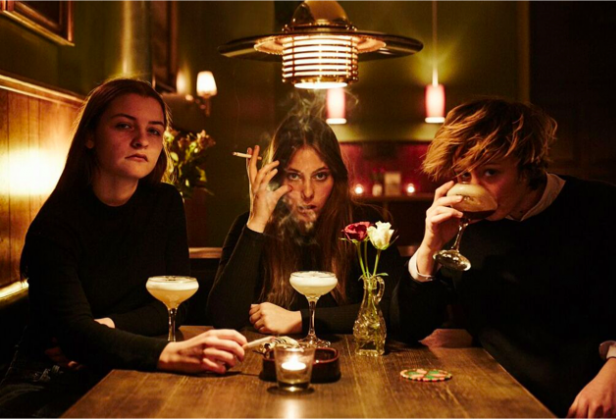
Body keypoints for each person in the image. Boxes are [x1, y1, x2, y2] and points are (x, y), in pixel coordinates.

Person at [0, 79, 246, 418]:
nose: (142, 139)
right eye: (124, 125)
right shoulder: (56, 223)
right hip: (46, 378)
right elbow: (73, 334)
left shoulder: (165, 203)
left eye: (154, 130)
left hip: (118, 365)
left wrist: (107, 327)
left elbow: (174, 307)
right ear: (90, 136)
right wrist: (173, 354)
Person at [398, 98, 616, 417]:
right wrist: (430, 246)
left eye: (490, 172)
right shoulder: (463, 225)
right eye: (463, 175)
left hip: (586, 399)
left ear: (528, 166)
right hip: (494, 399)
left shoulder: (602, 207)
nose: (473, 188)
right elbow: (408, 329)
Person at [207, 115, 408, 337]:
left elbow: (392, 309)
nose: (308, 192)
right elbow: (223, 318)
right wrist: (257, 221)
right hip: (269, 356)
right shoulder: (250, 226)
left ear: (335, 177)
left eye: (320, 176)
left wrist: (301, 320)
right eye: (294, 176)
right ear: (277, 179)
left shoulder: (364, 225)